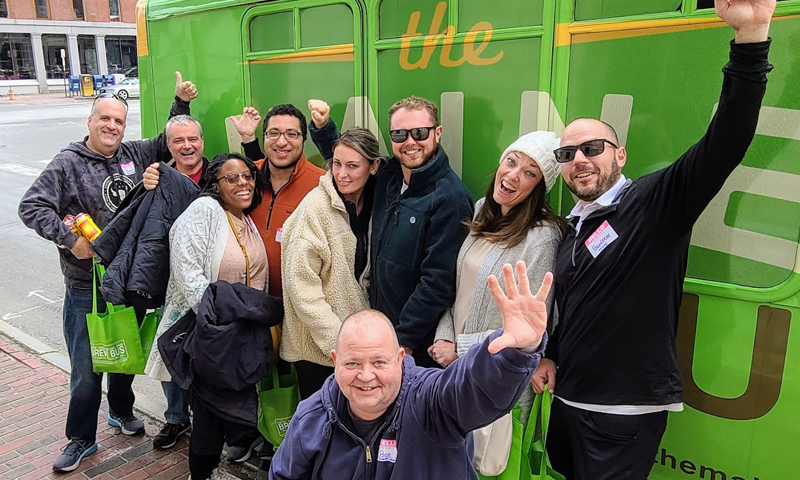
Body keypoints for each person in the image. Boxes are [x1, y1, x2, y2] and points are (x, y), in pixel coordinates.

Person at [530, 1, 775, 478]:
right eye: (567, 152)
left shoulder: (656, 203)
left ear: (619, 154)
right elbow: (579, 303)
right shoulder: (574, 223)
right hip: (568, 401)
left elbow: (726, 140)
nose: (579, 159)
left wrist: (752, 38)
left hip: (622, 414)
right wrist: (553, 353)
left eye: (592, 148)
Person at [17, 72, 198, 473]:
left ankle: (121, 410)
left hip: (128, 281)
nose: (112, 126)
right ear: (90, 121)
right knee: (86, 368)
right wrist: (70, 240)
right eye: (105, 119)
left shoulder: (132, 153)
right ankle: (81, 438)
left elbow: (166, 143)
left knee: (123, 356)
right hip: (88, 287)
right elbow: (32, 207)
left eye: (118, 121)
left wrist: (180, 103)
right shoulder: (67, 163)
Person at [270, 261, 553, 480]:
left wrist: (518, 352)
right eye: (353, 363)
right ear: (335, 360)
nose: (366, 376)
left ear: (399, 358)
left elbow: (470, 387)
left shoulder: (431, 401)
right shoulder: (312, 417)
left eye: (379, 363)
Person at [305, 96, 475, 368]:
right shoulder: (389, 177)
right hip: (380, 331)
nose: (410, 142)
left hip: (412, 349)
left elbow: (438, 282)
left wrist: (403, 340)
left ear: (437, 133)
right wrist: (324, 129)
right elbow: (351, 161)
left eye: (419, 133)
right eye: (399, 134)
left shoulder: (450, 199)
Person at [145, 153, 268, 478]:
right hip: (209, 338)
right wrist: (223, 324)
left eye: (247, 176)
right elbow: (189, 277)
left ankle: (224, 457)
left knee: (227, 411)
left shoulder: (242, 215)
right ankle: (201, 473)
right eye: (232, 178)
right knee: (208, 418)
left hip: (238, 337)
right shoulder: (203, 211)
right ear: (215, 184)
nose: (243, 182)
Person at [431, 131, 565, 427]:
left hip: (499, 379)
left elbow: (533, 328)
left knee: (493, 469)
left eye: (529, 173)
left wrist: (461, 349)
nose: (513, 176)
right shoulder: (481, 210)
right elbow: (458, 289)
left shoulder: (542, 237)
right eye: (511, 161)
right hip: (457, 371)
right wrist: (444, 334)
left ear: (539, 187)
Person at [280, 128, 381, 399]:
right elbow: (302, 290)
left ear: (373, 167)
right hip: (319, 350)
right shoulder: (316, 209)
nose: (342, 174)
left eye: (352, 166)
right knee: (322, 428)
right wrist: (339, 342)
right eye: (336, 164)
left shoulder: (373, 204)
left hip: (354, 346)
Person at [140, 113, 212, 450]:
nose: (187, 146)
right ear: (168, 146)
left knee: (207, 355)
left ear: (202, 141)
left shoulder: (217, 175)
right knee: (170, 349)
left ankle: (207, 420)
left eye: (193, 139)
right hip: (168, 283)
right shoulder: (156, 181)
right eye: (178, 141)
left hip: (210, 282)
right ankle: (175, 418)